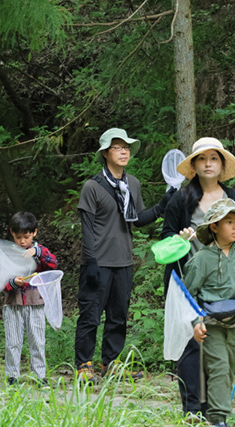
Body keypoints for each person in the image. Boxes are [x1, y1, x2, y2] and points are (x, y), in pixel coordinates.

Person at [75, 128, 174, 382]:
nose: (124, 151)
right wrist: (92, 262)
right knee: (90, 316)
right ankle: (84, 366)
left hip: (124, 262)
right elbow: (87, 229)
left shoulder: (132, 184)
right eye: (118, 147)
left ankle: (111, 363)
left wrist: (162, 206)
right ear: (106, 153)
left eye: (127, 147)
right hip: (97, 263)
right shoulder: (92, 187)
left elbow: (138, 219)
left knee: (118, 317)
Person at [161, 137, 235, 418]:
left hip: (223, 286)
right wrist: (180, 239)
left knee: (220, 344)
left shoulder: (234, 199)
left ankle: (215, 407)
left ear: (221, 164)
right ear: (194, 165)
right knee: (192, 343)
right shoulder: (182, 198)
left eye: (214, 158)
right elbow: (164, 240)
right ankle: (192, 408)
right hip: (188, 281)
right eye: (202, 159)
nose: (208, 164)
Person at [183, 198, 235, 427]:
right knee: (219, 368)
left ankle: (218, 411)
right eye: (229, 222)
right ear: (214, 227)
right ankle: (218, 419)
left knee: (229, 370)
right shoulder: (202, 259)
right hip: (211, 325)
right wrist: (196, 321)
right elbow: (187, 294)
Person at [3, 211, 58, 386]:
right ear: (12, 233)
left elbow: (53, 264)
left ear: (34, 233)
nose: (22, 241)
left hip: (36, 301)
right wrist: (13, 282)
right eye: (18, 237)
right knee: (13, 341)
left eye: (26, 237)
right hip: (13, 303)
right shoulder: (6, 253)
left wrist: (38, 251)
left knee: (37, 340)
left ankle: (40, 375)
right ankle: (12, 376)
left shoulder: (39, 251)